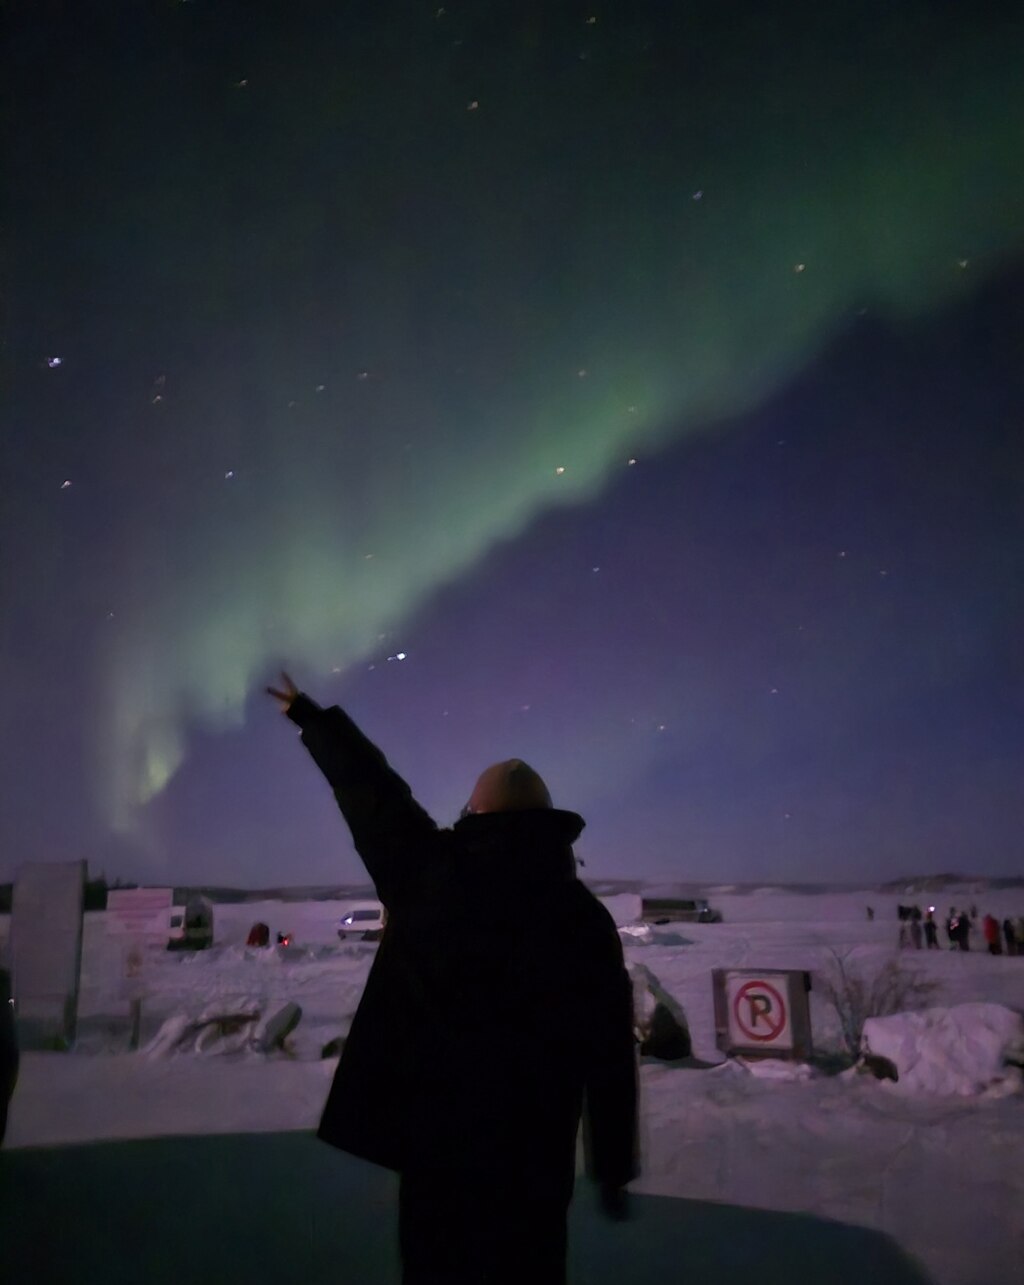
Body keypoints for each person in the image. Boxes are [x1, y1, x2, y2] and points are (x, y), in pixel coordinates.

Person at [267, 673, 638, 1285]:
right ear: (550, 825)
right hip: (536, 1161)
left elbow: (374, 794)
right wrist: (614, 1166)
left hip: (439, 1150)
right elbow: (610, 1053)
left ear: (474, 813)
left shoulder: (430, 875)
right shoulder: (584, 920)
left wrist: (313, 718)